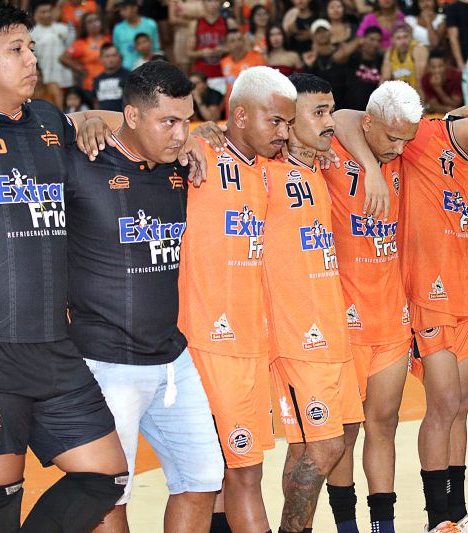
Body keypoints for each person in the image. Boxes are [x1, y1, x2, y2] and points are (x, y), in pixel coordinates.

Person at [336, 94, 468, 533]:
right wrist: (372, 168)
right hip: (423, 296)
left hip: (465, 294)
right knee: (444, 402)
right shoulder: (423, 137)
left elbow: (463, 226)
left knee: (461, 406)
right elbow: (346, 118)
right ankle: (436, 518)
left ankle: (457, 512)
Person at [66, 60, 224, 533]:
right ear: (132, 117)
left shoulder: (177, 166)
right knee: (108, 495)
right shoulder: (82, 159)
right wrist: (89, 116)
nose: (179, 134)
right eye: (168, 122)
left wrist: (192, 139)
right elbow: (40, 119)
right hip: (108, 363)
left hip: (174, 359)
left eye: (186, 121)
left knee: (202, 479)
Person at [0, 5, 128, 532]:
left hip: (54, 346)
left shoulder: (49, 120)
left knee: (106, 478)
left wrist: (94, 117)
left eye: (30, 46)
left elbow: (125, 122)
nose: (32, 59)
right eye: (15, 49)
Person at [179, 65, 297, 533]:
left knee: (230, 473)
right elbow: (126, 122)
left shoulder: (269, 170)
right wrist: (190, 134)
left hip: (251, 342)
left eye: (288, 122)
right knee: (233, 474)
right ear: (242, 115)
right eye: (276, 122)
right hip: (208, 343)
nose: (284, 132)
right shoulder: (197, 151)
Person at [319, 81, 422, 533]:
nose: (398, 147)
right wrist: (370, 167)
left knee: (384, 422)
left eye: (406, 139)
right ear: (369, 124)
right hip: (343, 318)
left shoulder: (403, 157)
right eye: (391, 137)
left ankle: (384, 525)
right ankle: (346, 526)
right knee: (345, 430)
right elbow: (340, 116)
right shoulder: (337, 148)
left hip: (391, 316)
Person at [263, 73, 364, 533]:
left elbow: (355, 118)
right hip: (296, 335)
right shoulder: (262, 171)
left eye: (329, 110)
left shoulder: (317, 167)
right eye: (317, 113)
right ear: (286, 120)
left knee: (313, 445)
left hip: (330, 328)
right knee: (324, 449)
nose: (329, 122)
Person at [31, 0, 74, 109]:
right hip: (44, 80)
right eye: (43, 12)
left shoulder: (64, 29)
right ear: (35, 14)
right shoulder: (31, 34)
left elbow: (72, 51)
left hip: (65, 78)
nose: (47, 14)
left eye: (49, 11)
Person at [60, 11, 109, 93]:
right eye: (90, 22)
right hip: (91, 85)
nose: (94, 23)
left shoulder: (108, 39)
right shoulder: (81, 43)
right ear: (85, 26)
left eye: (96, 20)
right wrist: (79, 68)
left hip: (110, 83)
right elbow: (63, 58)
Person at [303, 19, 350, 105]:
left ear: (330, 33)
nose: (322, 34)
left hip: (342, 103)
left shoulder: (340, 51)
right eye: (318, 32)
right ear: (313, 36)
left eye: (324, 31)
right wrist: (309, 66)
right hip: (318, 104)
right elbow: (306, 84)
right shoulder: (309, 56)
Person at [187, 0, 230, 86]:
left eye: (216, 1)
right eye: (209, 1)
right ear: (203, 3)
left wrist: (224, 50)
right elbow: (188, 52)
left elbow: (237, 48)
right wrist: (202, 53)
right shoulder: (195, 24)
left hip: (223, 72)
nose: (213, 4)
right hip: (202, 75)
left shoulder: (228, 22)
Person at [342, 26, 383, 110]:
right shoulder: (353, 57)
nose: (375, 44)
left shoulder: (382, 60)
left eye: (378, 41)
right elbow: (337, 58)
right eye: (372, 39)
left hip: (372, 111)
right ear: (363, 39)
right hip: (349, 109)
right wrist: (357, 41)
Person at [112, 0, 159, 70]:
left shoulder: (150, 24)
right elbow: (117, 52)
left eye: (124, 8)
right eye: (120, 9)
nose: (121, 12)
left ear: (135, 8)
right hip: (127, 71)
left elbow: (156, 47)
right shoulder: (118, 29)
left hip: (150, 70)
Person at [382, 24, 428, 94]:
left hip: (416, 95)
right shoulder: (390, 53)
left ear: (411, 37)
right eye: (398, 38)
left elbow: (421, 82)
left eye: (405, 37)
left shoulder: (418, 50)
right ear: (392, 40)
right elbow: (385, 79)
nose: (403, 42)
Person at [421, 49, 463, 114]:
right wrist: (448, 110)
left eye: (440, 66)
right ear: (429, 67)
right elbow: (434, 106)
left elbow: (455, 104)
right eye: (433, 67)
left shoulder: (456, 76)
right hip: (439, 114)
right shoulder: (425, 79)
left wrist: (438, 89)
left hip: (460, 114)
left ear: (446, 65)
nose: (437, 70)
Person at [93, 43, 129, 112]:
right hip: (103, 119)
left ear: (119, 57)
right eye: (107, 56)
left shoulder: (129, 76)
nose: (111, 59)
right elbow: (96, 102)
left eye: (114, 55)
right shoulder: (97, 80)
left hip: (122, 118)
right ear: (100, 59)